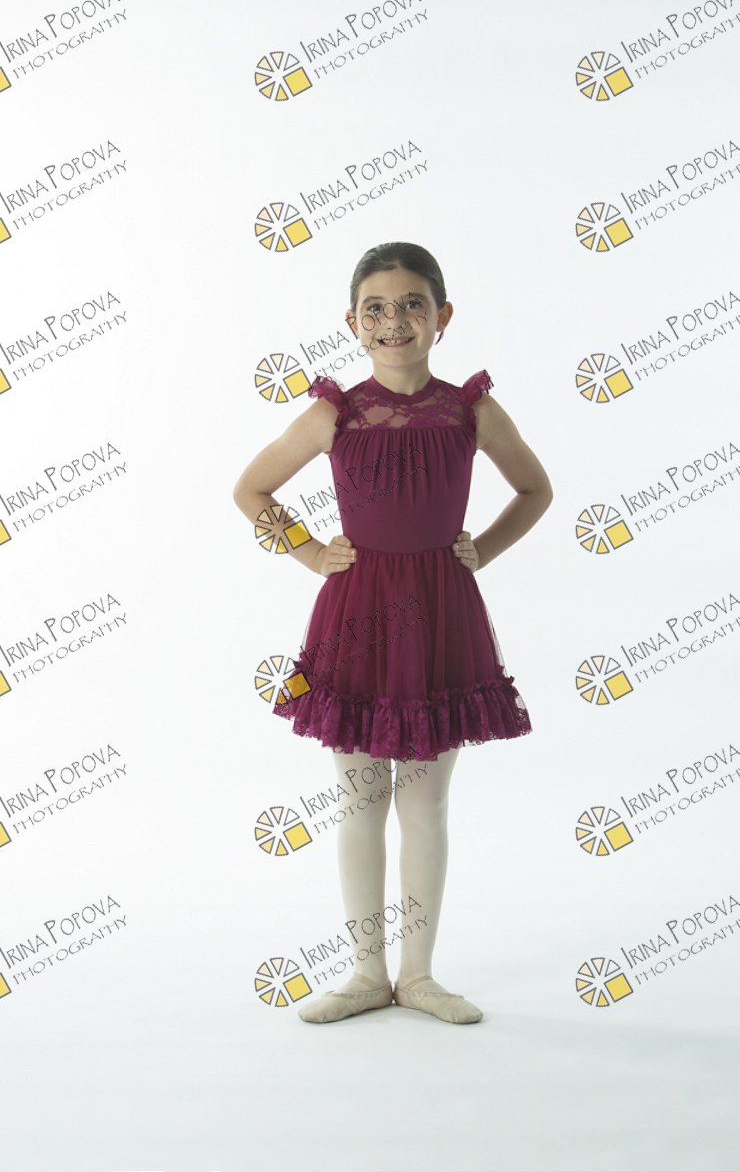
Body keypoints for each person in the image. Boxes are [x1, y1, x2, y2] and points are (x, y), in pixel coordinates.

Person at [233, 241, 553, 1024]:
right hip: (357, 615)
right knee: (359, 800)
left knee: (425, 804)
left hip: (441, 612)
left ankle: (419, 973)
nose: (394, 320)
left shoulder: (469, 410)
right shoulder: (333, 413)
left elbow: (535, 489)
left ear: (443, 316)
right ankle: (364, 972)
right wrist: (312, 552)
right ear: (352, 322)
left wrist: (482, 550)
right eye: (375, 307)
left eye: (413, 303)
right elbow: (251, 489)